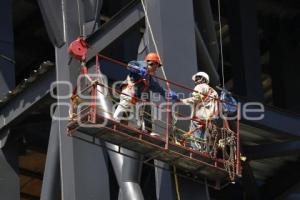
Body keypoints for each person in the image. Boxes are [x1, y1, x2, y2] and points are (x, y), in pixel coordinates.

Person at [113, 52, 178, 131]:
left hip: (136, 97)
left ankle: (137, 128)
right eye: (156, 66)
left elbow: (159, 89)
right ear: (152, 63)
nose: (156, 68)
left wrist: (169, 94)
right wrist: (138, 69)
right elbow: (129, 66)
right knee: (124, 105)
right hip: (129, 91)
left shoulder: (149, 78)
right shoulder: (140, 64)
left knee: (136, 114)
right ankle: (115, 120)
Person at [180, 71, 219, 151]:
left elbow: (196, 98)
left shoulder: (200, 86)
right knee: (204, 139)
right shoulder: (214, 92)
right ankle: (204, 151)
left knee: (195, 137)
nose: (195, 81)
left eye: (197, 79)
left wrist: (182, 100)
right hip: (210, 118)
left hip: (199, 117)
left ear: (203, 79)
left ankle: (195, 150)